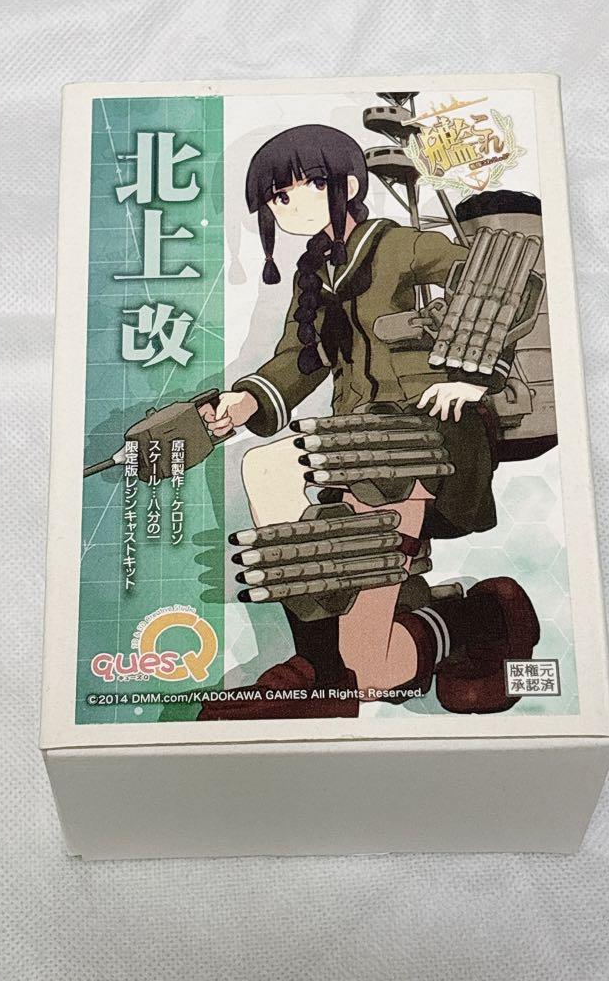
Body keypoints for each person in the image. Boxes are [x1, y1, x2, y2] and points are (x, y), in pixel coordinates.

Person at [199, 124, 538, 720]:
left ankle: (359, 662)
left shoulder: (400, 246)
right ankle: (347, 660)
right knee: (268, 471)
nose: (288, 205)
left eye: (302, 187)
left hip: (431, 433)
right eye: (277, 198)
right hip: (358, 441)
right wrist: (246, 402)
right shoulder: (314, 274)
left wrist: (473, 373)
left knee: (283, 469)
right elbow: (301, 358)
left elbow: (506, 282)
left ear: (348, 185)